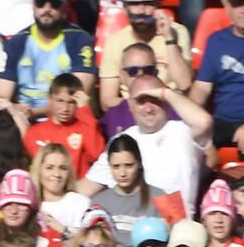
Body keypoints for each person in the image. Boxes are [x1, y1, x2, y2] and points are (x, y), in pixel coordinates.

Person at [82, 75, 211, 220]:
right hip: (132, 228)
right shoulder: (122, 140)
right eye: (141, 101)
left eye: (154, 99)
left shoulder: (182, 131)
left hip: (176, 227)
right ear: (130, 104)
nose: (148, 108)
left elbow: (205, 122)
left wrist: (165, 93)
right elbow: (84, 190)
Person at [0, 0, 96, 114]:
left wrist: (34, 112)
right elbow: (1, 97)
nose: (47, 9)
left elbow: (76, 98)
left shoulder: (80, 41)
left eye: (54, 3)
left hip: (64, 118)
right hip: (22, 118)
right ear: (33, 4)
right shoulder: (16, 43)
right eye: (41, 2)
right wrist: (16, 109)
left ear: (64, 6)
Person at [97, 0, 193, 113]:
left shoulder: (177, 32)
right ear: (126, 8)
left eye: (147, 3)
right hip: (129, 111)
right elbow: (107, 100)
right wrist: (142, 106)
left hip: (170, 109)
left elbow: (184, 84)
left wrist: (169, 38)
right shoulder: (115, 41)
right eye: (135, 4)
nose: (141, 10)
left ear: (158, 6)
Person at [78, 132, 166, 247]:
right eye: (116, 166)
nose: (122, 173)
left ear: (139, 163)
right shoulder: (98, 202)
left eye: (129, 165)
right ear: (109, 165)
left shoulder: (160, 196)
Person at [189, 0, 244, 154]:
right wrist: (190, 118)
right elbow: (202, 87)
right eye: (237, 4)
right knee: (186, 138)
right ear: (228, 8)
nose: (243, 10)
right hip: (222, 123)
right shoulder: (216, 40)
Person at [24, 73, 105, 180]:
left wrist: (85, 111)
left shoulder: (85, 127)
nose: (65, 108)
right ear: (49, 98)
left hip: (77, 191)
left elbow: (96, 155)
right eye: (60, 101)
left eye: (71, 102)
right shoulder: (34, 132)